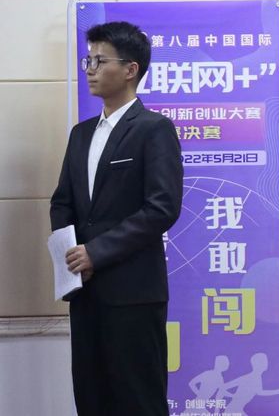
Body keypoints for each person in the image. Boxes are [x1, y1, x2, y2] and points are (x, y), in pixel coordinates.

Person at [50, 21, 183, 416]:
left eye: (99, 60)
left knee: (138, 400)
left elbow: (162, 207)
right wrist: (73, 256)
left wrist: (97, 253)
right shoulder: (81, 134)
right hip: (85, 291)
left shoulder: (154, 129)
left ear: (130, 69)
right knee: (91, 398)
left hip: (134, 294)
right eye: (87, 60)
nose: (89, 69)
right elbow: (62, 203)